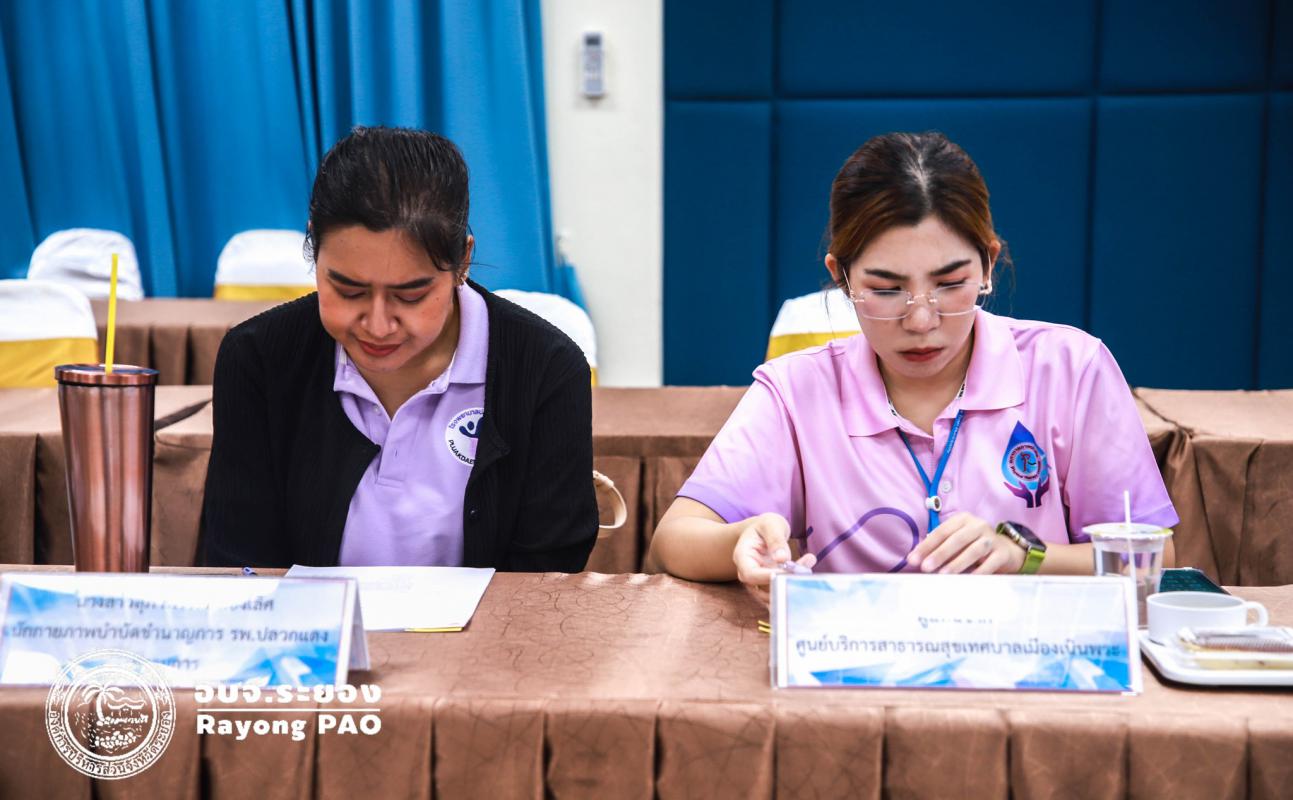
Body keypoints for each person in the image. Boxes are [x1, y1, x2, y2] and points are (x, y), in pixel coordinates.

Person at [649, 131, 1177, 588]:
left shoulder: (1070, 369)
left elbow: (1153, 556)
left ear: (988, 264)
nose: (921, 321)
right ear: (841, 278)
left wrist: (1025, 556)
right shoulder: (796, 390)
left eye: (950, 284)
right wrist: (740, 540)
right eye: (886, 290)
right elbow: (674, 539)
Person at [200, 126, 597, 570]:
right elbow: (242, 562)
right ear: (314, 247)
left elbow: (547, 577)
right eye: (348, 290)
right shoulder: (259, 358)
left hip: (493, 620)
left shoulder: (546, 369)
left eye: (410, 295)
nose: (378, 325)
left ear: (462, 262)